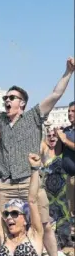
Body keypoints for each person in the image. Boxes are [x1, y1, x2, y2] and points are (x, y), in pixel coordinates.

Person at [0, 59, 74, 256]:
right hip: (6, 184)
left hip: (30, 182)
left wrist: (68, 71)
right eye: (6, 97)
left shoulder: (34, 116)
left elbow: (56, 94)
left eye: (12, 98)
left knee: (44, 224)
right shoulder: (0, 119)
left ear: (22, 103)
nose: (7, 100)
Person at [41, 127, 70, 256]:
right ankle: (52, 246)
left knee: (63, 217)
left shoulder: (64, 152)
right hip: (47, 193)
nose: (52, 137)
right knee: (49, 219)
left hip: (63, 192)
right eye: (49, 135)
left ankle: (63, 243)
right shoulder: (44, 153)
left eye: (54, 135)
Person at [58, 101, 75, 237]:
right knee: (71, 210)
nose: (70, 114)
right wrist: (58, 137)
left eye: (73, 111)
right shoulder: (66, 131)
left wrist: (65, 140)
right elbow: (58, 151)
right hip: (69, 177)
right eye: (69, 111)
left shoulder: (67, 136)